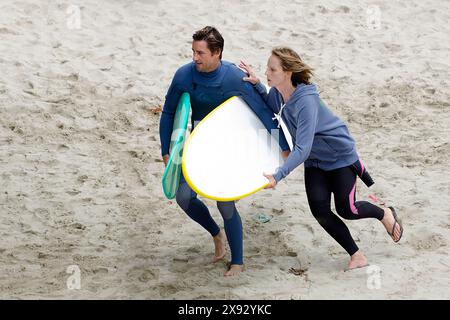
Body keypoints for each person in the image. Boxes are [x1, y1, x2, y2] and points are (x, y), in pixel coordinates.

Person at [240, 47, 403, 270]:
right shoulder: (280, 92)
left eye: (272, 69)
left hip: (339, 157)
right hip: (315, 161)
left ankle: (384, 213)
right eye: (267, 67)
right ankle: (356, 255)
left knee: (348, 210)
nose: (267, 71)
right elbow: (272, 105)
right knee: (320, 211)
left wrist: (278, 176)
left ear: (287, 72)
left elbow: (303, 147)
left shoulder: (306, 100)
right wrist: (258, 83)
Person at [159, 27, 290, 276]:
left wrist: (282, 148)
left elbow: (264, 113)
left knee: (225, 204)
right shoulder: (184, 75)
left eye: (200, 53)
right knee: (184, 198)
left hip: (230, 147)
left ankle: (237, 261)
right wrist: (167, 150)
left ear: (217, 52)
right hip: (198, 146)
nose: (195, 57)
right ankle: (216, 234)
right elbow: (168, 112)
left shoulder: (234, 77)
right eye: (193, 51)